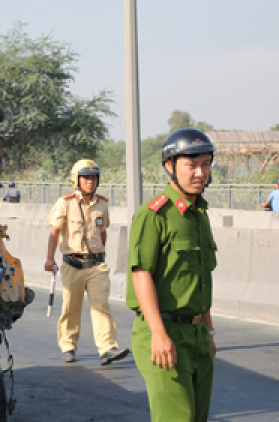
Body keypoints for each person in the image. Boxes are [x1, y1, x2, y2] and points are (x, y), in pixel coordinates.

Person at [127, 127, 218, 422]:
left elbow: (200, 279)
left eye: (205, 164)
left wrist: (208, 331)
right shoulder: (155, 215)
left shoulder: (199, 215)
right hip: (164, 333)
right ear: (170, 166)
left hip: (197, 335)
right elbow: (141, 275)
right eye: (191, 165)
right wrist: (158, 334)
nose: (199, 173)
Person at [44, 159, 129, 365]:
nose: (90, 182)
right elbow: (54, 231)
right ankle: (68, 345)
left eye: (94, 178)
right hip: (72, 264)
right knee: (71, 308)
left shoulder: (102, 203)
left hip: (97, 265)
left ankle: (107, 348)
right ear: (77, 179)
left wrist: (101, 252)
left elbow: (102, 232)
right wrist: (49, 258)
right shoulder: (65, 202)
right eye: (86, 178)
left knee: (101, 305)